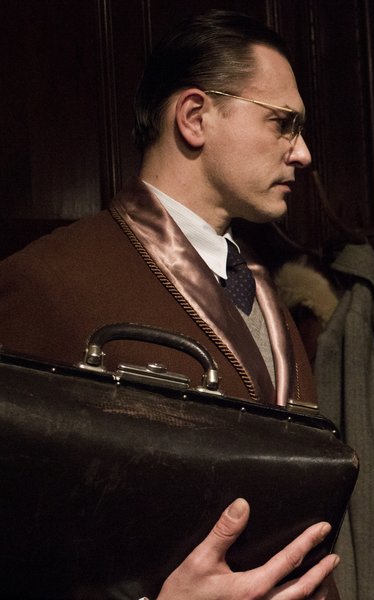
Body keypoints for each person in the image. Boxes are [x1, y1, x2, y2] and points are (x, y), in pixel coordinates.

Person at [0, 10, 340, 600]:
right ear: (195, 117)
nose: (303, 153)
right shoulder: (46, 283)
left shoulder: (265, 289)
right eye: (283, 123)